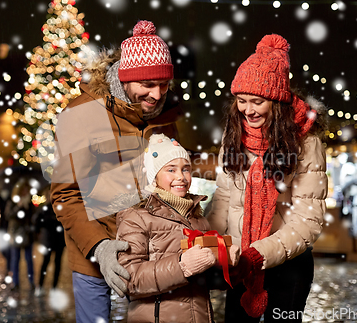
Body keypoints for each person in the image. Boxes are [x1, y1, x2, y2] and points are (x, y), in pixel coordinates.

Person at [50, 20, 181, 322]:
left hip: (152, 256)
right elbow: (64, 196)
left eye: (163, 85)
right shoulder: (81, 114)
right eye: (147, 85)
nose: (157, 94)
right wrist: (100, 246)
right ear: (123, 78)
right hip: (96, 257)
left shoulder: (164, 115)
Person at [207, 34, 328, 322]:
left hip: (288, 264)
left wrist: (258, 255)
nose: (247, 110)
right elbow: (224, 198)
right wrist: (211, 242)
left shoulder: (306, 144)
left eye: (257, 101)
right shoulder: (233, 136)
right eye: (241, 100)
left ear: (276, 102)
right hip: (239, 263)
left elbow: (308, 220)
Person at [117, 134, 240, 323]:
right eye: (171, 170)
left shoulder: (198, 219)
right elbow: (128, 279)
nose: (181, 177)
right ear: (154, 176)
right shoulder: (136, 217)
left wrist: (225, 263)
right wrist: (182, 265)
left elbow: (205, 281)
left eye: (186, 169)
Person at [33, 187, 66, 296]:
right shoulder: (45, 209)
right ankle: (40, 286)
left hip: (59, 240)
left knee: (57, 264)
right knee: (45, 263)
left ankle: (54, 287)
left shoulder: (60, 208)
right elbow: (37, 223)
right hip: (49, 240)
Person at [5, 178, 35, 291]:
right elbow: (8, 215)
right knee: (15, 259)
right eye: (23, 190)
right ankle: (15, 282)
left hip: (27, 235)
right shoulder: (13, 202)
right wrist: (18, 206)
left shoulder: (30, 203)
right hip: (15, 233)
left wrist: (27, 208)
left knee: (29, 259)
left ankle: (31, 282)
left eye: (27, 190)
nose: (25, 192)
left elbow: (33, 218)